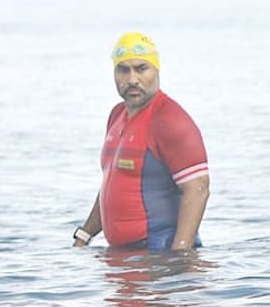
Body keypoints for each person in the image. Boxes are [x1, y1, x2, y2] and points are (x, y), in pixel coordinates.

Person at [72, 32, 210, 252]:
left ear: (156, 70)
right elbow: (114, 182)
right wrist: (84, 235)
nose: (132, 79)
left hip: (159, 256)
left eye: (141, 68)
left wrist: (180, 255)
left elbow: (198, 189)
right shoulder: (117, 115)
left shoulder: (169, 119)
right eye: (123, 70)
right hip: (124, 257)